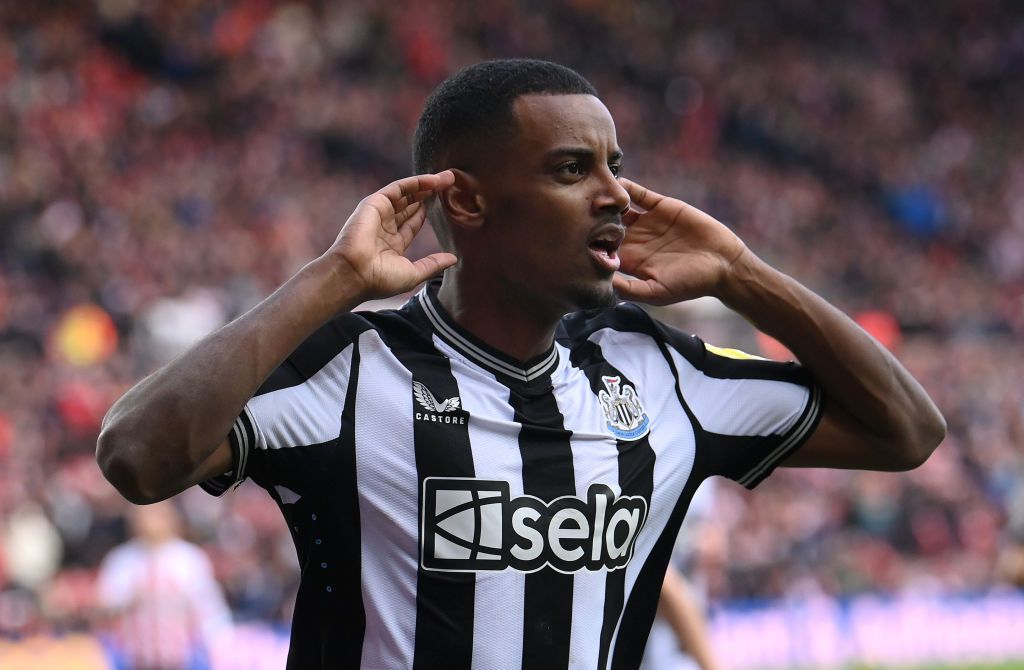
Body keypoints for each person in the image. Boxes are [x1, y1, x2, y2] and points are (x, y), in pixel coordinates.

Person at [96, 59, 945, 669]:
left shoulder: (661, 376)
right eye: (573, 169)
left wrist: (742, 272)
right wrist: (335, 278)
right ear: (467, 199)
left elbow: (907, 430)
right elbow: (137, 455)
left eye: (617, 166)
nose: (616, 195)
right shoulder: (351, 370)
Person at [95, 501, 231, 670]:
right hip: (134, 660)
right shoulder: (122, 560)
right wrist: (130, 600)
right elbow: (105, 608)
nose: (149, 522)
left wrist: (218, 648)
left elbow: (209, 610)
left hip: (181, 660)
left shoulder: (189, 559)